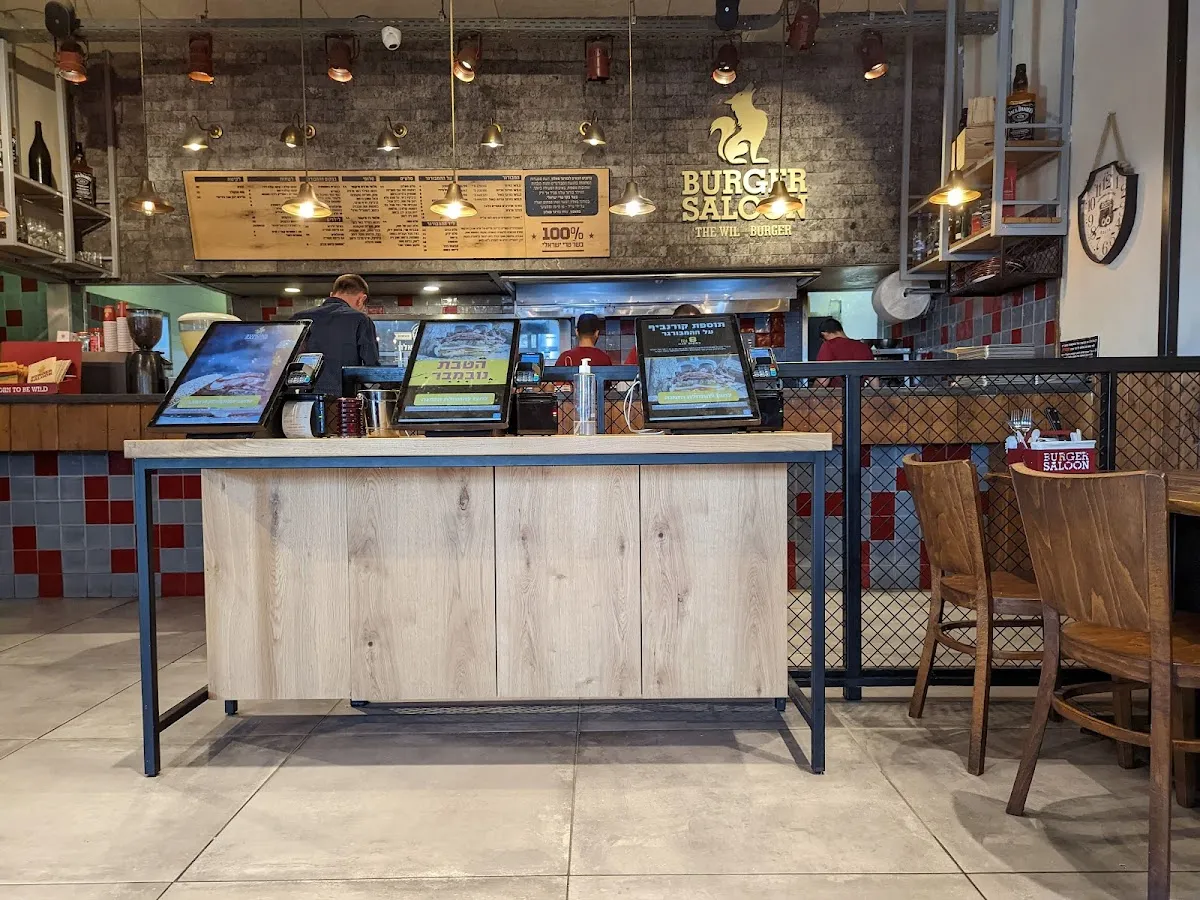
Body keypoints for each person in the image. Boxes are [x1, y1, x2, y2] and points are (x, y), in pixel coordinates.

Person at [291, 273, 380, 396]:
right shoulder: (361, 320)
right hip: (343, 401)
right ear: (361, 299)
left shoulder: (298, 318)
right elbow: (372, 370)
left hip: (298, 398)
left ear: (331, 294)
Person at [624, 303, 703, 365]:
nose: (686, 329)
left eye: (692, 325)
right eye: (681, 324)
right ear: (672, 325)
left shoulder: (707, 346)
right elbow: (627, 373)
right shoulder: (646, 346)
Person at [814, 317, 874, 388]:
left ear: (824, 334)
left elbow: (823, 381)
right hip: (859, 393)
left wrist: (810, 391)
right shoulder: (864, 347)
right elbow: (874, 381)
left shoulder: (828, 345)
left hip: (836, 393)